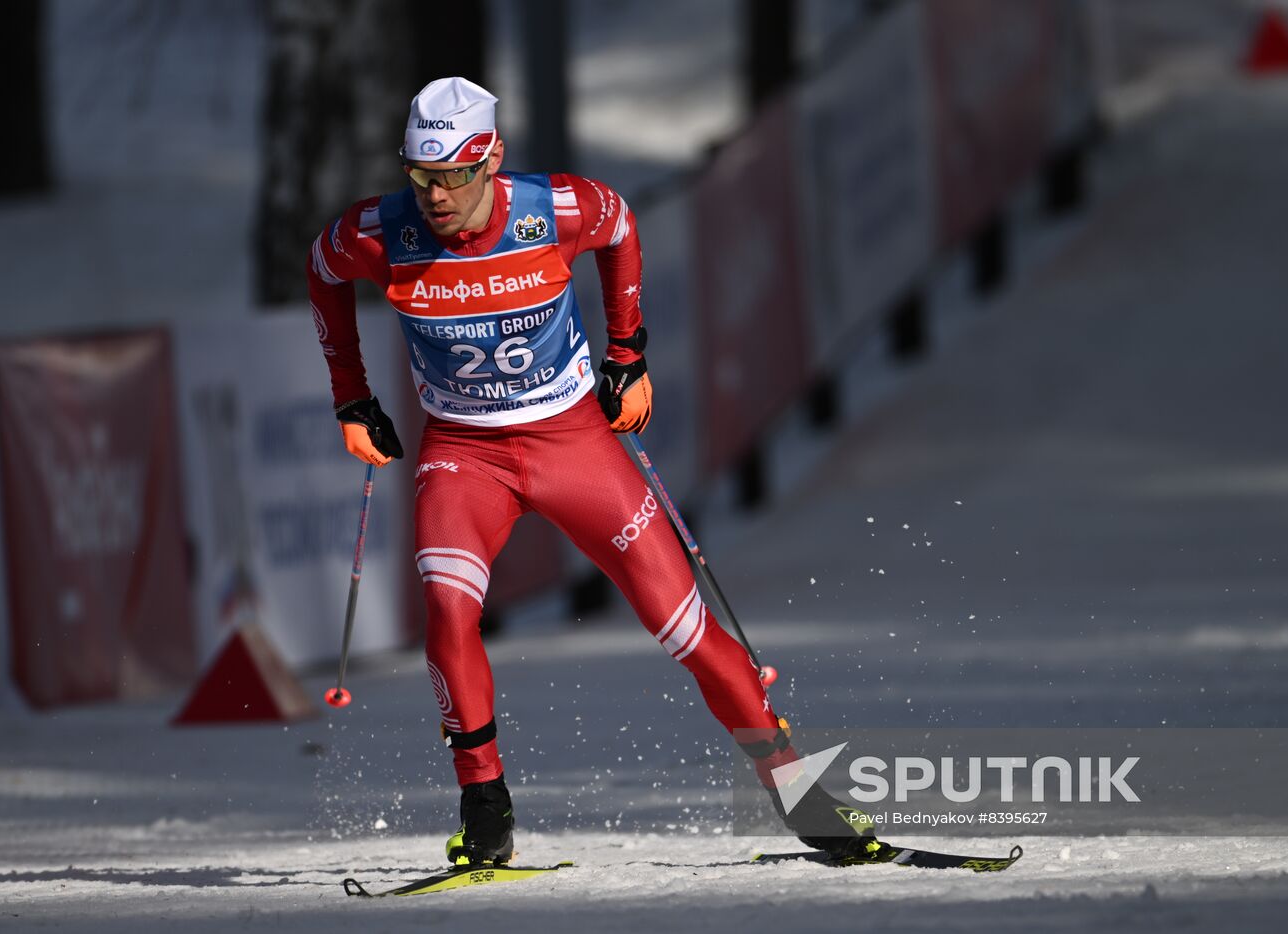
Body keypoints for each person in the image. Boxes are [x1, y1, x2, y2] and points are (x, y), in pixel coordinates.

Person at [306, 77, 875, 866]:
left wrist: (628, 353)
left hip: (573, 443)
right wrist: (353, 401)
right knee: (446, 605)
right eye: (421, 175)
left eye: (456, 176)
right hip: (465, 453)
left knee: (686, 629)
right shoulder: (379, 231)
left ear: (492, 159)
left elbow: (620, 225)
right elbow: (323, 270)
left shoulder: (554, 210)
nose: (437, 197)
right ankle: (486, 804)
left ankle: (796, 791)